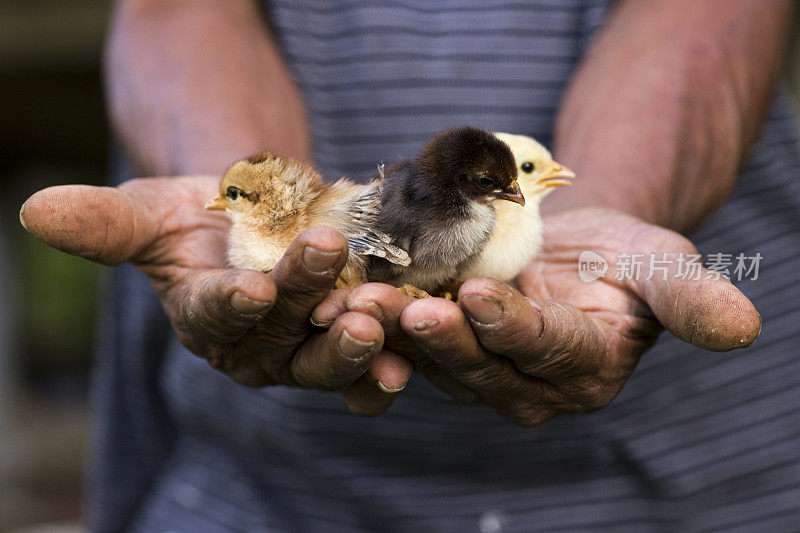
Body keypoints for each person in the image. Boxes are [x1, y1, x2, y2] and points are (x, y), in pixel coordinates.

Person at [20, 0, 800, 530]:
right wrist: (250, 196)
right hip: (257, 488)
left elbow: (707, 23)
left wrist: (614, 208)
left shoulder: (476, 214)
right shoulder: (405, 215)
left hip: (695, 476)